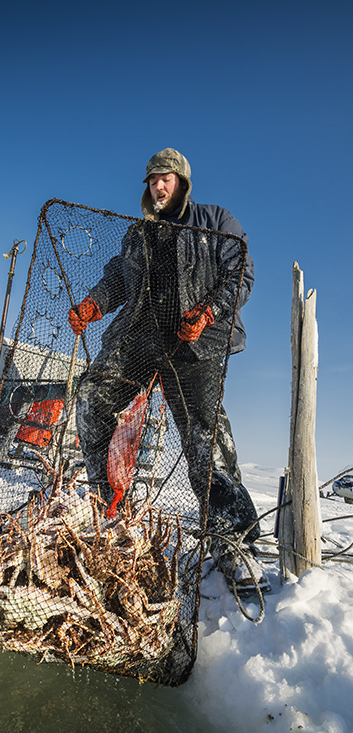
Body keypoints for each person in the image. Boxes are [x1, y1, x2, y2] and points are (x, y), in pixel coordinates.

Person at [68, 148, 268, 593]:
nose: (159, 186)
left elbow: (241, 276)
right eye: (153, 179)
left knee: (206, 440)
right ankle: (105, 507)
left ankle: (234, 546)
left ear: (182, 184)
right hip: (140, 340)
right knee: (91, 402)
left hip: (194, 346)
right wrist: (93, 304)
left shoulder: (216, 222)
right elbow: (119, 277)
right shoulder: (138, 234)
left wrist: (209, 312)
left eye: (167, 179)